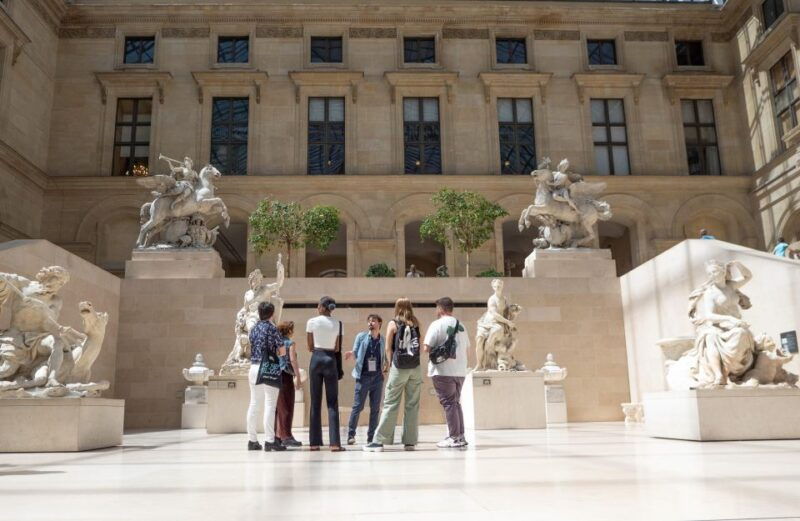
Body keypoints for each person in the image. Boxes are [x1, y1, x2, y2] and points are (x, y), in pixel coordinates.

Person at [363, 298, 422, 452]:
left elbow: (389, 348)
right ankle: (410, 441)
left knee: (391, 403)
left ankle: (379, 441)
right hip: (415, 368)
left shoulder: (393, 323)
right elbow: (419, 348)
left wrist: (388, 364)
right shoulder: (415, 323)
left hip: (399, 367)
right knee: (412, 405)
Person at [423, 296, 470, 449]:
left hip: (443, 370)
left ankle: (454, 437)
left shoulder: (436, 324)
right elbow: (467, 348)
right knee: (455, 403)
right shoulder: (461, 325)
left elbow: (426, 348)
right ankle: (460, 435)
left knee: (449, 403)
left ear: (441, 309)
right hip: (460, 370)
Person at [246, 301, 286, 452]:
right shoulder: (272, 328)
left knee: (254, 404)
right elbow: (282, 351)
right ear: (272, 313)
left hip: (253, 367)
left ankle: (252, 440)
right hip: (268, 367)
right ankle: (270, 441)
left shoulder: (254, 329)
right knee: (270, 405)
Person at [306, 296, 345, 452]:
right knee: (332, 403)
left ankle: (314, 443)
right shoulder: (339, 324)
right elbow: (337, 348)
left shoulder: (311, 322)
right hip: (330, 360)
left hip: (316, 359)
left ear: (321, 307)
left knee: (315, 402)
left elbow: (309, 346)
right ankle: (335, 443)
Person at [344, 314, 385, 445]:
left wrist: (387, 365)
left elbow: (385, 355)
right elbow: (355, 351)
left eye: (373, 321)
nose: (370, 323)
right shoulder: (361, 337)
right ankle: (351, 434)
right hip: (363, 377)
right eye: (369, 321)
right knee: (358, 406)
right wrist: (352, 353)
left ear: (379, 323)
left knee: (375, 408)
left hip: (378, 378)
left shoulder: (382, 339)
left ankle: (371, 436)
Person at [275, 321, 302, 448]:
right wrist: (298, 376)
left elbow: (281, 359)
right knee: (287, 406)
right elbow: (292, 359)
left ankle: (278, 435)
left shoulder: (279, 343)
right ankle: (287, 436)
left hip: (276, 376)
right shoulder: (290, 343)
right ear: (289, 331)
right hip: (286, 376)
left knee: (279, 407)